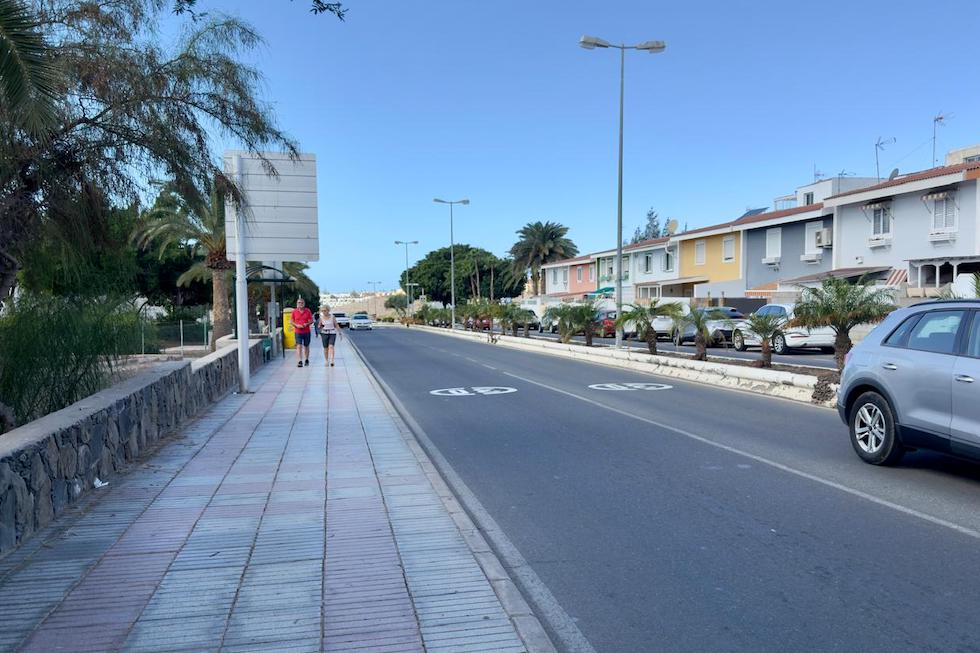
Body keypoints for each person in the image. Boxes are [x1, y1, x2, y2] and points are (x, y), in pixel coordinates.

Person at [292, 297, 314, 367]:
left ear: (304, 304)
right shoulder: (294, 312)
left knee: (306, 346)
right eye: (299, 303)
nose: (300, 304)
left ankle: (306, 359)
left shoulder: (308, 311)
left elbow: (311, 320)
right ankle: (300, 361)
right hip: (298, 331)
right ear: (297, 304)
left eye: (301, 303)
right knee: (299, 346)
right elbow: (291, 321)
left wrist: (306, 324)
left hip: (306, 331)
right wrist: (296, 325)